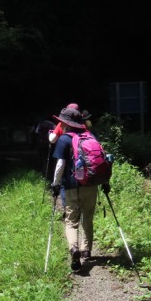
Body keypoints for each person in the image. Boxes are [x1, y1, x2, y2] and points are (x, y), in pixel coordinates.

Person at [50, 105, 101, 272]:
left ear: (65, 123)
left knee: (71, 221)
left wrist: (56, 185)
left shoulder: (64, 139)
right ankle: (87, 250)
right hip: (91, 184)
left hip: (72, 186)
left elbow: (60, 165)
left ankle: (74, 249)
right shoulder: (90, 136)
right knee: (88, 217)